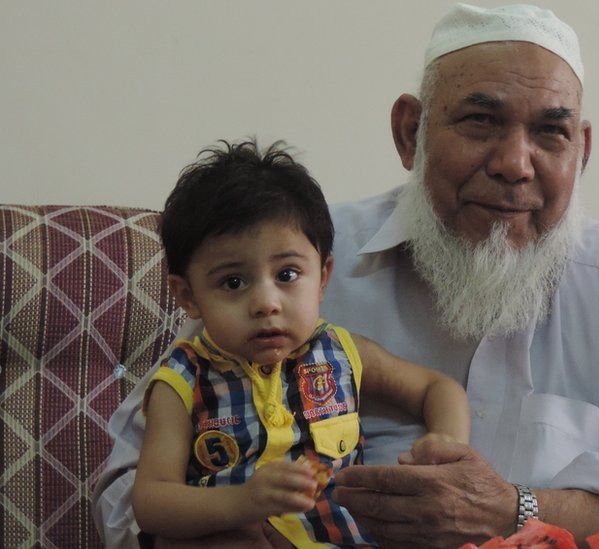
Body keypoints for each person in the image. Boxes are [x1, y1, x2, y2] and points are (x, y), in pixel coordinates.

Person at [95, 4, 599, 549]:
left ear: (579, 152)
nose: (515, 162)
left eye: (548, 132)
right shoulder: (296, 265)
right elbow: (128, 491)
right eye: (480, 121)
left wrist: (518, 507)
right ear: (409, 133)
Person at [129, 140, 469, 547]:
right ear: (187, 296)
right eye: (233, 282)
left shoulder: (343, 351)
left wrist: (446, 445)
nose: (266, 304)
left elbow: (437, 388)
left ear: (323, 276)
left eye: (287, 274)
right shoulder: (182, 381)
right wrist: (242, 502)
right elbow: (151, 502)